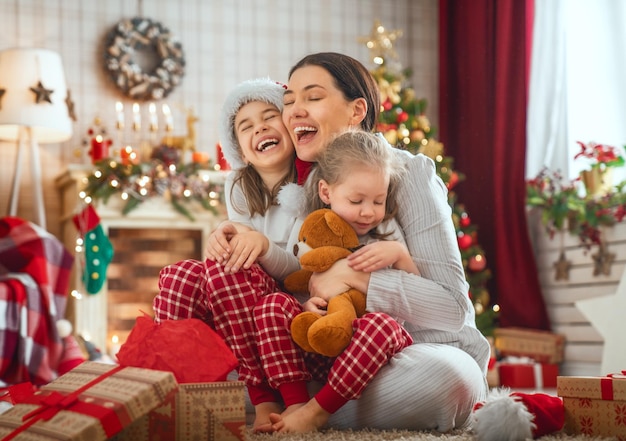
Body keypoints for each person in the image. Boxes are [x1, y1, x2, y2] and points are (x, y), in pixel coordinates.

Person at [254, 52, 491, 434]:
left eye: (312, 97)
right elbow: (307, 284)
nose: (295, 110)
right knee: (237, 366)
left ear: (356, 110)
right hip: (339, 357)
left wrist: (357, 277)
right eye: (289, 101)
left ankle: (310, 411)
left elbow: (452, 309)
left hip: (418, 351)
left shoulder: (409, 172)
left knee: (447, 379)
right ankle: (306, 407)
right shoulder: (306, 189)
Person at [153, 77, 309, 430]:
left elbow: (304, 272)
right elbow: (238, 241)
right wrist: (220, 237)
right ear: (237, 146)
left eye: (270, 117)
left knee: (227, 270)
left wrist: (263, 246)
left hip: (288, 305)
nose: (261, 128)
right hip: (242, 305)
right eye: (246, 126)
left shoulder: (311, 185)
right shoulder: (238, 185)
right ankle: (170, 387)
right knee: (181, 275)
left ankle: (263, 395)